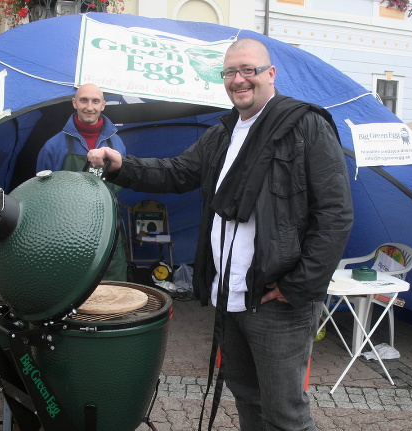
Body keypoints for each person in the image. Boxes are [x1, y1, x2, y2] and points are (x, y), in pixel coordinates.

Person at [87, 38, 353, 431]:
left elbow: (335, 214)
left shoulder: (305, 125)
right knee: (247, 398)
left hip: (277, 300)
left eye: (248, 70)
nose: (238, 80)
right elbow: (178, 171)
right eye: (229, 72)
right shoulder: (226, 131)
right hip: (229, 296)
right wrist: (121, 164)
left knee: (285, 414)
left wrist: (297, 286)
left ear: (270, 74)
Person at [36, 83, 128, 281]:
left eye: (95, 101)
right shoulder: (53, 146)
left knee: (114, 290)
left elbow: (123, 181)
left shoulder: (116, 144)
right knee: (68, 287)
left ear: (103, 105)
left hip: (107, 229)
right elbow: (41, 196)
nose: (89, 107)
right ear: (74, 103)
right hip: (66, 234)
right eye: (84, 100)